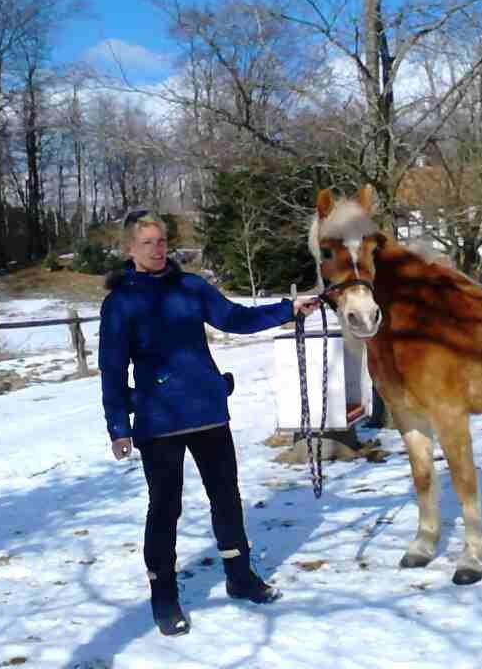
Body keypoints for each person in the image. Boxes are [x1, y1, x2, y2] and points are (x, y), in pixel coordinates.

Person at [99, 209, 319, 636]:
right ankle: (164, 596)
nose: (157, 249)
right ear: (130, 250)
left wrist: (288, 310)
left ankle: (240, 577)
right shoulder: (121, 302)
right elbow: (112, 368)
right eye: (147, 243)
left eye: (162, 241)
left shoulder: (191, 287)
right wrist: (118, 426)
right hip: (158, 422)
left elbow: (235, 318)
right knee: (165, 508)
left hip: (207, 412)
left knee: (226, 497)